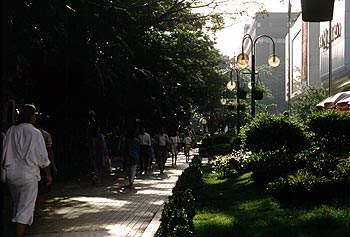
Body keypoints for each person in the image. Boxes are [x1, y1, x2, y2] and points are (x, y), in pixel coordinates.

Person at [2, 104, 52, 237]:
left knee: (17, 203)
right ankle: (19, 234)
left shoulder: (11, 131)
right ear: (31, 116)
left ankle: (16, 229)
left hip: (12, 174)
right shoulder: (35, 133)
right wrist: (48, 174)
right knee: (25, 207)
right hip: (29, 174)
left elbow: (4, 152)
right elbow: (42, 156)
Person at [35, 113, 58, 217]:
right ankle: (37, 210)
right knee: (42, 189)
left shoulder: (31, 133)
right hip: (43, 164)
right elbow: (49, 151)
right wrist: (53, 165)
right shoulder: (45, 135)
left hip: (31, 163)